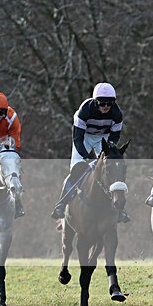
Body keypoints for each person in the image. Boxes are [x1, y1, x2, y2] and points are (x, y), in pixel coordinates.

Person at [50, 82, 130, 222]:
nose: (106, 106)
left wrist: (109, 150)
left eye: (109, 103)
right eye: (102, 103)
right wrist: (86, 156)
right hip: (84, 137)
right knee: (77, 169)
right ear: (95, 102)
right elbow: (77, 138)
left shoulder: (117, 114)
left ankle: (120, 210)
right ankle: (61, 204)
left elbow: (114, 137)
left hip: (103, 139)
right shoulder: (84, 111)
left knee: (111, 169)